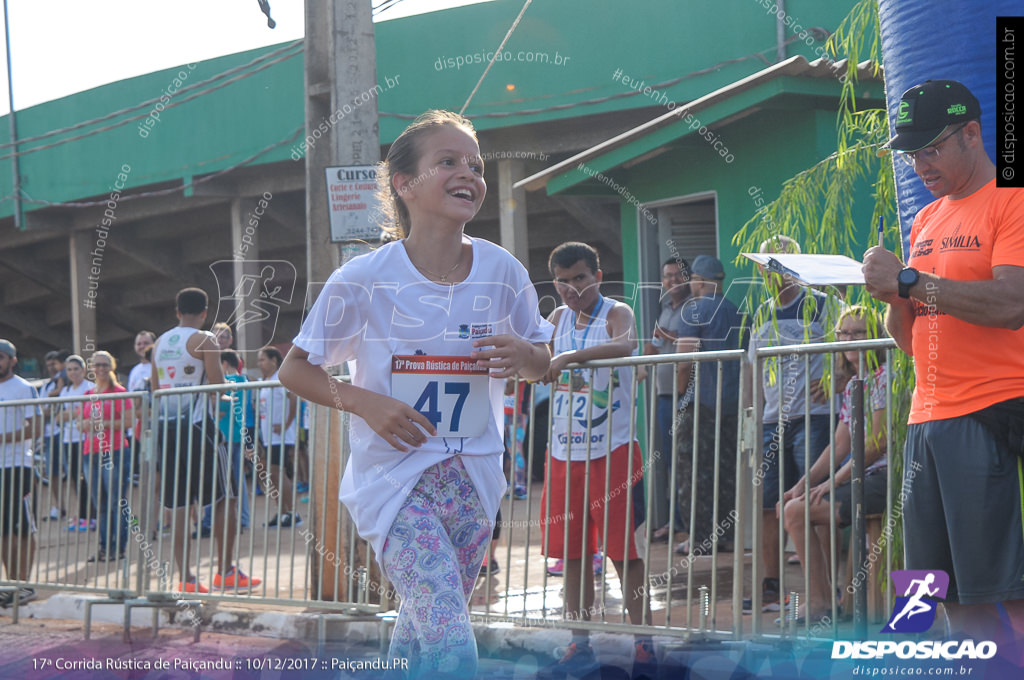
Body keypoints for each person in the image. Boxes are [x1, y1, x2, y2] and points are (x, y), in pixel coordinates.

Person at [279, 110, 552, 678]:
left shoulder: (502, 269)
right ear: (403, 184)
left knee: (424, 623)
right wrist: (364, 401)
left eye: (474, 164)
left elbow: (543, 363)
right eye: (447, 162)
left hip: (475, 476)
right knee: (449, 626)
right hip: (394, 481)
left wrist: (527, 358)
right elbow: (295, 370)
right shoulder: (362, 278)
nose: (468, 174)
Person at [863, 79, 1024, 642]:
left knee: (1004, 587)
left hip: (992, 409)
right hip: (926, 416)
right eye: (910, 153)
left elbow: (1011, 305)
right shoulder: (927, 218)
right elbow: (908, 339)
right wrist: (891, 297)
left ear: (972, 134)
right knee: (937, 589)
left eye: (930, 148)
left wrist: (909, 279)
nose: (918, 164)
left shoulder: (1013, 199)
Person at [538, 241, 654, 678]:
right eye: (564, 281)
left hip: (614, 448)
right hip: (563, 453)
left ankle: (644, 642)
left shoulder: (616, 312)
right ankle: (578, 641)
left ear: (597, 277)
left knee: (624, 553)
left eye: (581, 278)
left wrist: (569, 356)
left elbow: (625, 346)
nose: (573, 288)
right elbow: (532, 357)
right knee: (571, 555)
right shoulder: (554, 319)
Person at [744, 235, 841, 614]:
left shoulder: (823, 306)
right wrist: (752, 421)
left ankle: (828, 589)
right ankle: (772, 587)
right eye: (767, 265)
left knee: (814, 501)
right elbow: (753, 371)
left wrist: (835, 378)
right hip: (772, 423)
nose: (775, 272)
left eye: (782, 264)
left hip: (814, 419)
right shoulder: (761, 312)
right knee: (769, 505)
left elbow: (853, 345)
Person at [780, 306, 888, 622]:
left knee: (796, 511)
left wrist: (833, 482)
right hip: (861, 476)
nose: (849, 339)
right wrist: (805, 482)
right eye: (844, 333)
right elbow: (840, 444)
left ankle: (822, 602)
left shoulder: (884, 375)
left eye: (858, 332)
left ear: (876, 337)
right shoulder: (858, 381)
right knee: (793, 504)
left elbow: (876, 444)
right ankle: (826, 599)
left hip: (883, 477)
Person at [152, 287, 259, 593]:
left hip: (168, 429)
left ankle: (185, 578)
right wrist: (230, 389)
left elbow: (154, 388)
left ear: (176, 312)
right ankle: (224, 571)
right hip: (200, 427)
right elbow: (217, 385)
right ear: (204, 313)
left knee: (181, 504)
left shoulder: (160, 342)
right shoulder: (205, 340)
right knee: (226, 497)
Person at [671, 255, 744, 556]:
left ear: (698, 281)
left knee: (694, 470)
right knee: (725, 469)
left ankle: (699, 538)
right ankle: (724, 535)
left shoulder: (694, 309)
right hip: (731, 402)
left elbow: (683, 361)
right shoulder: (736, 311)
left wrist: (679, 396)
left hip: (699, 403)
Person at [643, 257, 690, 543]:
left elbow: (689, 342)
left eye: (677, 275)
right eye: (667, 276)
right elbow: (654, 347)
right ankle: (675, 521)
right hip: (663, 395)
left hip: (684, 396)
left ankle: (687, 523)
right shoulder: (665, 309)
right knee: (670, 462)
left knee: (684, 461)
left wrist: (664, 335)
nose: (671, 280)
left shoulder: (693, 308)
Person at [80, 351, 135, 563]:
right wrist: (86, 425)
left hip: (115, 450)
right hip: (90, 452)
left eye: (105, 364)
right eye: (97, 365)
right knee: (100, 505)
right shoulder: (87, 395)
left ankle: (118, 548)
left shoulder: (120, 392)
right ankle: (104, 548)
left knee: (116, 502)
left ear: (111, 366)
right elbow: (80, 423)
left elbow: (129, 422)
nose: (101, 368)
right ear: (92, 368)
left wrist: (104, 423)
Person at [0, 340, 40, 606]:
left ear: (13, 360)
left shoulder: (23, 388)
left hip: (18, 466)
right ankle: (9, 582)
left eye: (1, 357)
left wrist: (2, 438)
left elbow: (34, 428)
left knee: (23, 527)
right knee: (4, 529)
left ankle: (24, 583)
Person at [198, 350, 252, 537]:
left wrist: (214, 401)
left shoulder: (228, 381)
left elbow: (220, 405)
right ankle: (242, 519)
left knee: (222, 481)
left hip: (225, 436)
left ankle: (215, 522)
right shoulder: (243, 381)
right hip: (236, 434)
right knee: (237, 480)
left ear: (225, 364)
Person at [255, 346, 300, 528]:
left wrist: (287, 424)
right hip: (268, 436)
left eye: (262, 359)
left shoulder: (281, 377)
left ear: (274, 360)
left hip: (281, 436)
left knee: (277, 472)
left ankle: (291, 512)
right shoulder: (265, 380)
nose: (259, 364)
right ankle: (281, 513)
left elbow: (294, 398)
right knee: (272, 474)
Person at [58, 355, 95, 533]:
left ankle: (91, 516)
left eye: (76, 369)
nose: (72, 373)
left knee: (87, 478)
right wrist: (75, 412)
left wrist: (74, 413)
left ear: (83, 370)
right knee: (74, 478)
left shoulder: (89, 388)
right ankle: (82, 515)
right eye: (69, 369)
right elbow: (59, 416)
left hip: (85, 439)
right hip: (68, 438)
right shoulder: (65, 391)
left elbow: (86, 413)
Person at [39, 351, 67, 521]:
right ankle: (59, 506)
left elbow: (55, 409)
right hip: (49, 434)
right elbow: (42, 410)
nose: (52, 368)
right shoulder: (46, 386)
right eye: (49, 365)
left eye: (54, 364)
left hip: (63, 432)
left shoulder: (65, 382)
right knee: (52, 472)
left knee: (71, 471)